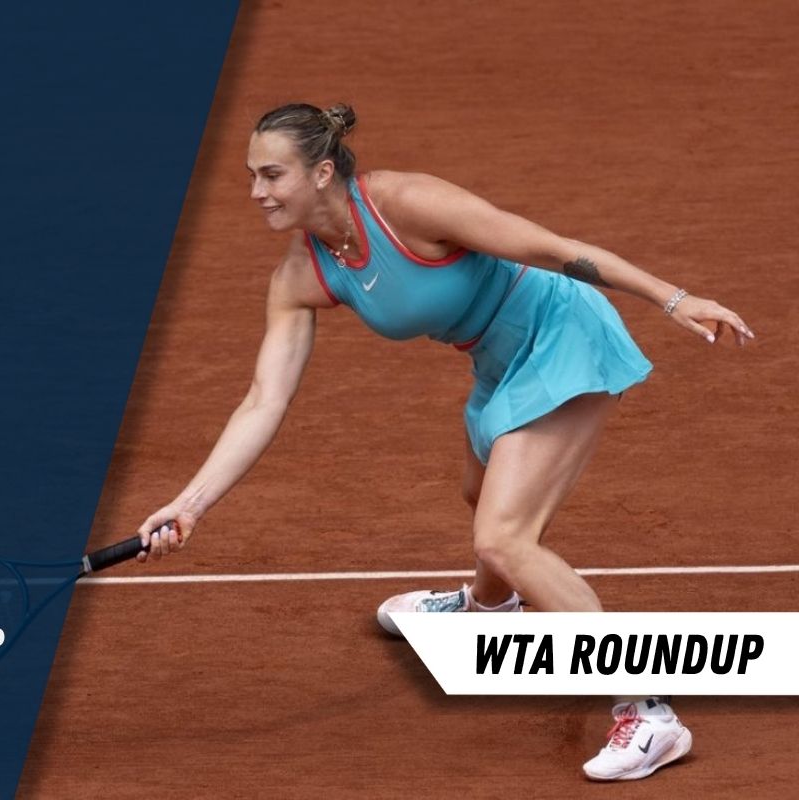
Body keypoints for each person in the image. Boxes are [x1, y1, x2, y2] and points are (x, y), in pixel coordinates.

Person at [133, 102, 753, 781]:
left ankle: (652, 712)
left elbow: (550, 248)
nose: (257, 193)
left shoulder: (407, 203)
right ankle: (491, 610)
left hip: (560, 334)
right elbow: (264, 400)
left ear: (321, 172)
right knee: (477, 492)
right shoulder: (302, 275)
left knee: (504, 538)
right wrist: (190, 502)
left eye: (272, 174)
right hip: (496, 357)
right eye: (252, 176)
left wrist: (673, 299)